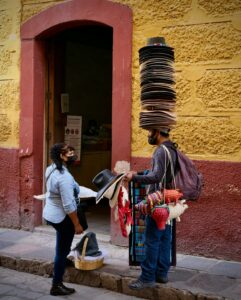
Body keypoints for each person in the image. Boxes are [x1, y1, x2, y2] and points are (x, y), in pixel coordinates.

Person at [124, 128, 177, 290]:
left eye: (150, 132)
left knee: (152, 240)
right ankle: (162, 273)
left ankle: (147, 277)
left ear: (158, 133)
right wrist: (139, 172)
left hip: (157, 203)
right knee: (164, 238)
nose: (148, 135)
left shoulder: (160, 151)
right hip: (168, 200)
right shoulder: (172, 149)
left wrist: (135, 177)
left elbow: (156, 177)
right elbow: (159, 173)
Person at [43, 143, 84, 296]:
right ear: (61, 156)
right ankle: (56, 285)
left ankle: (63, 258)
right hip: (62, 216)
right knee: (62, 248)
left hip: (51, 213)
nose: (73, 155)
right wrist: (77, 224)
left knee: (62, 243)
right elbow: (68, 206)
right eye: (70, 153)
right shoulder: (64, 177)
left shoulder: (51, 168)